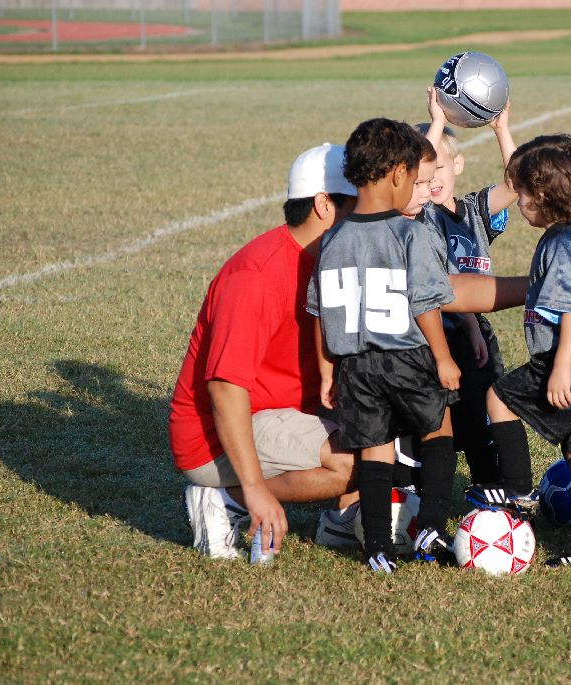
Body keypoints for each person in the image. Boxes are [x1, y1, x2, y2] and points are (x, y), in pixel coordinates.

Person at [169, 143, 361, 561]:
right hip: (214, 436)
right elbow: (225, 387)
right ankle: (226, 500)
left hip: (284, 410)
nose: (365, 216)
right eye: (356, 205)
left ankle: (344, 520)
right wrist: (255, 489)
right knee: (356, 460)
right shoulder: (255, 274)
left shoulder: (329, 259)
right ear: (324, 205)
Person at [307, 118, 461, 573]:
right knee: (439, 430)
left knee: (375, 449)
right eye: (415, 178)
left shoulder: (332, 238)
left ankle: (376, 546)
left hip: (356, 365)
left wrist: (327, 372)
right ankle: (431, 524)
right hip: (408, 356)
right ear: (398, 175)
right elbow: (425, 303)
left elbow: (319, 312)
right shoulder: (410, 233)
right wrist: (443, 357)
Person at [471, 134, 571, 570]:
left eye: (522, 192)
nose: (518, 200)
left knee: (498, 398)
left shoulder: (560, 245)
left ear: (540, 196)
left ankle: (518, 491)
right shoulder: (570, 237)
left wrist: (561, 368)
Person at [418, 87, 519, 486]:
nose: (432, 179)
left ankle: (490, 490)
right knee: (437, 423)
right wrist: (437, 122)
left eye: (440, 167)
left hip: (477, 333)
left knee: (483, 418)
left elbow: (516, 184)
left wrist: (501, 129)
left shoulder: (475, 210)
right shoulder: (418, 215)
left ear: (457, 165)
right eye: (425, 173)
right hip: (434, 333)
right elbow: (416, 174)